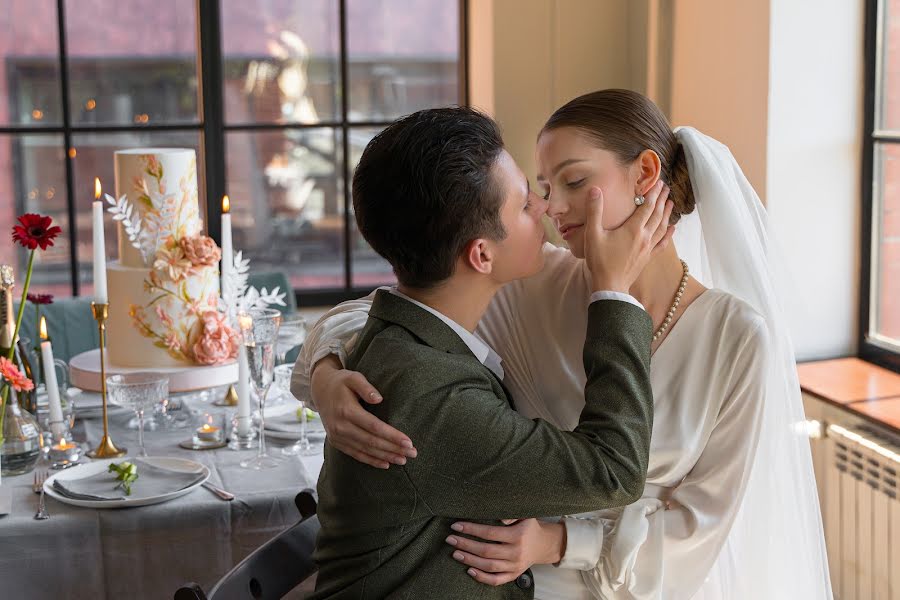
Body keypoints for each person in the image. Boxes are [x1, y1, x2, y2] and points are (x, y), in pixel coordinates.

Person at [294, 90, 832, 599]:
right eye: (544, 189)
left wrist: (556, 543)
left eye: (573, 182)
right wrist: (328, 372)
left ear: (646, 174)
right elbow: (402, 313)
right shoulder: (535, 279)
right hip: (504, 585)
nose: (551, 209)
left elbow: (702, 526)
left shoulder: (737, 337)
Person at [307, 106, 675, 599]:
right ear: (481, 255)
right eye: (526, 204)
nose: (546, 209)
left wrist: (323, 366)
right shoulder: (431, 398)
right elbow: (614, 470)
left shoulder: (410, 333)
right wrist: (613, 292)